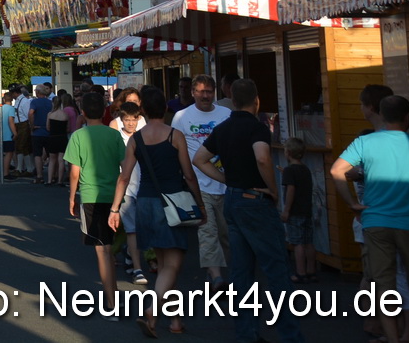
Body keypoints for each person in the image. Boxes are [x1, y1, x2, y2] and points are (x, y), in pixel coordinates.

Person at [194, 78, 306, 343]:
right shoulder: (257, 128)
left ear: (232, 101)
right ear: (257, 101)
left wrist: (226, 180)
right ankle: (290, 336)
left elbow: (199, 159)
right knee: (276, 268)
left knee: (241, 272)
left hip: (232, 199)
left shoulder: (223, 128)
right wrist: (273, 189)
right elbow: (262, 157)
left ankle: (247, 332)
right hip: (255, 199)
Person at [331, 95, 409, 343]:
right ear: (407, 117)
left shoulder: (365, 142)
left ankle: (393, 339)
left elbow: (336, 170)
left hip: (375, 223)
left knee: (384, 288)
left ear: (383, 117)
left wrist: (352, 203)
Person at [108, 85, 201, 336]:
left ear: (144, 111)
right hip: (172, 202)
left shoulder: (136, 139)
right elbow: (189, 175)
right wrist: (199, 204)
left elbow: (124, 177)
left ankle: (175, 321)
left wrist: (115, 208)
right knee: (173, 264)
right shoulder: (175, 136)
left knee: (163, 265)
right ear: (166, 108)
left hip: (146, 202)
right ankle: (151, 310)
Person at [65, 89, 125, 302]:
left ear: (82, 112)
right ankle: (114, 293)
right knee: (109, 248)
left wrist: (73, 197)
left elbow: (74, 172)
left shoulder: (78, 135)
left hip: (91, 195)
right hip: (113, 197)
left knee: (102, 251)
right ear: (104, 110)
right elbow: (124, 168)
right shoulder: (114, 134)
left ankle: (111, 302)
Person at [172, 74, 232, 282]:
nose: (205, 96)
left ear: (214, 92)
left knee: (226, 233)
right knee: (207, 230)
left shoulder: (227, 114)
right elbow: (175, 149)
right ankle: (216, 276)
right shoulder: (181, 117)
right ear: (193, 93)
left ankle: (226, 270)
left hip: (226, 182)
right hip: (198, 183)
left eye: (209, 91)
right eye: (201, 92)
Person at [110, 94, 149, 284]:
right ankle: (137, 268)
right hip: (124, 189)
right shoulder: (117, 137)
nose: (131, 123)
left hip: (143, 186)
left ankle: (128, 255)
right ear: (121, 120)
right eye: (127, 120)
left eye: (134, 120)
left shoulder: (144, 135)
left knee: (142, 227)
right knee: (131, 229)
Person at [280, 137, 315, 281]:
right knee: (308, 242)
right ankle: (311, 271)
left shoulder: (289, 171)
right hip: (306, 209)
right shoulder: (305, 169)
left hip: (295, 210)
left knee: (297, 243)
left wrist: (286, 210)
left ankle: (300, 272)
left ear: (288, 152)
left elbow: (291, 190)